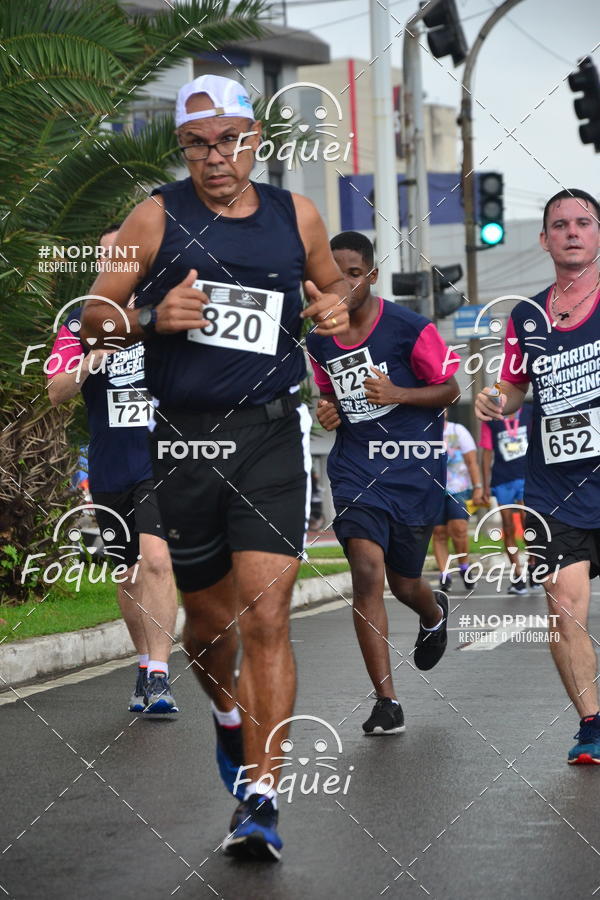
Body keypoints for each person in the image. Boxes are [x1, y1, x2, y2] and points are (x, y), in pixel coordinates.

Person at [81, 74, 350, 861]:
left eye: (229, 139)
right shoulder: (154, 216)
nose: (215, 157)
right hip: (185, 445)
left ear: (254, 140)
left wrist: (331, 304)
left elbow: (328, 285)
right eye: (198, 144)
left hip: (270, 436)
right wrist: (146, 317)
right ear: (183, 148)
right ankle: (229, 718)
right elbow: (94, 316)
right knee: (209, 631)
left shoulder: (295, 214)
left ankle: (262, 798)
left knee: (267, 614)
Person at [308, 230, 460, 735]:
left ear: (371, 276)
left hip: (413, 470)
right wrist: (326, 411)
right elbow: (328, 397)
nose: (344, 284)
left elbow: (450, 389)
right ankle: (386, 701)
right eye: (334, 275)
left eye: (353, 274)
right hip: (355, 470)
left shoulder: (410, 329)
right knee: (368, 574)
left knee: (404, 582)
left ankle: (433, 610)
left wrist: (397, 391)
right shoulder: (317, 339)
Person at [475, 187, 600, 765]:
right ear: (544, 238)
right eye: (560, 224)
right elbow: (515, 386)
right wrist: (495, 398)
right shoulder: (526, 317)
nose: (572, 231)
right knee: (562, 603)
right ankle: (592, 725)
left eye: (584, 222)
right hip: (555, 486)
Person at [47, 223, 179, 716]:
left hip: (159, 461)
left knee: (158, 561)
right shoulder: (78, 324)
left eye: (124, 256)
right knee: (127, 574)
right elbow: (56, 390)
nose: (115, 265)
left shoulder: (162, 314)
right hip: (110, 465)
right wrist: (92, 359)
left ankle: (161, 676)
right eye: (106, 258)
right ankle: (144, 665)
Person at [480, 402, 540, 593]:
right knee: (507, 527)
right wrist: (484, 484)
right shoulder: (490, 419)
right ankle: (517, 575)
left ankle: (533, 563)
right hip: (502, 479)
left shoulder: (529, 411)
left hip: (525, 476)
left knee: (527, 522)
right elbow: (487, 453)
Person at [432, 413, 484, 592]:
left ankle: (464, 566)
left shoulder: (458, 430)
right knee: (438, 532)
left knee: (459, 529)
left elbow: (471, 462)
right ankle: (444, 574)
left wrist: (478, 486)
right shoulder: (423, 432)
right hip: (432, 491)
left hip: (459, 488)